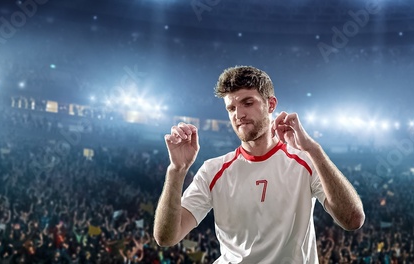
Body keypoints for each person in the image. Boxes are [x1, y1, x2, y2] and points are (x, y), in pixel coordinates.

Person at [153, 66, 365, 263]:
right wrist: (176, 170)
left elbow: (353, 220)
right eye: (231, 108)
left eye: (248, 103)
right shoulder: (213, 170)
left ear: (270, 104)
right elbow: (166, 237)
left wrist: (314, 150)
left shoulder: (306, 160)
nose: (239, 115)